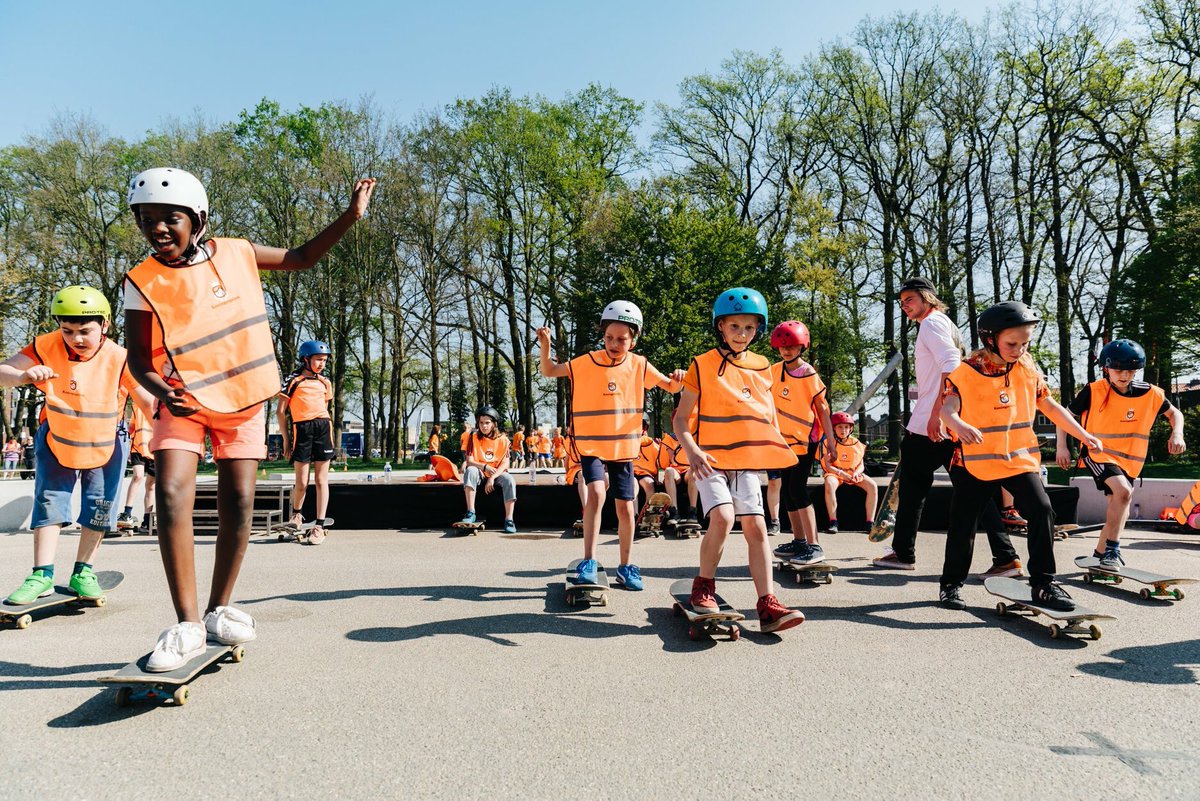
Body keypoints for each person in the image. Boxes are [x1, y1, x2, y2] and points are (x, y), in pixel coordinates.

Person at [123, 166, 375, 671]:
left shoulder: (236, 252)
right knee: (172, 495)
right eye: (146, 220)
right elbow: (139, 361)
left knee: (238, 503)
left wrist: (350, 217)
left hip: (243, 400)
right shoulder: (141, 281)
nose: (158, 229)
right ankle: (187, 623)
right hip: (183, 401)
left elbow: (302, 258)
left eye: (170, 218)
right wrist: (162, 395)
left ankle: (219, 609)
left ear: (197, 219)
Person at [938, 301, 1103, 611]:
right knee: (964, 524)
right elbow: (947, 410)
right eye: (1012, 343)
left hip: (1016, 458)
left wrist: (1084, 435)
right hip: (974, 461)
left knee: (1042, 511)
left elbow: (1050, 407)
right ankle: (951, 585)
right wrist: (958, 424)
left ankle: (1043, 583)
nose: (1019, 349)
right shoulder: (966, 370)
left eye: (1025, 342)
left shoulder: (1026, 366)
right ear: (990, 339)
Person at [0, 286, 154, 604]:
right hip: (57, 439)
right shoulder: (45, 346)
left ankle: (83, 571)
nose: (76, 339)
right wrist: (22, 375)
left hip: (106, 445)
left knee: (98, 508)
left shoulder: (120, 358)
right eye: (67, 330)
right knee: (49, 504)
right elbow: (3, 371)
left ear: (105, 326)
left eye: (85, 331)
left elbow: (148, 401)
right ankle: (41, 575)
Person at [874, 277, 1022, 577]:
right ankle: (1005, 556)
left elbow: (951, 365)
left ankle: (904, 553)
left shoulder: (932, 324)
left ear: (927, 298)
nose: (905, 305)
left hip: (933, 425)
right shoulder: (946, 324)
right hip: (942, 421)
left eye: (910, 299)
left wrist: (937, 414)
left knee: (915, 489)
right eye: (901, 302)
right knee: (971, 489)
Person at [676, 288, 805, 632]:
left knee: (757, 527)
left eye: (749, 328)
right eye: (734, 326)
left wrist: (776, 449)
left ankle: (768, 603)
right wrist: (692, 451)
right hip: (710, 460)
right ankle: (703, 587)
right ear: (720, 326)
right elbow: (679, 419)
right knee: (722, 517)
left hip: (746, 460)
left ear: (758, 330)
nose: (742, 334)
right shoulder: (701, 364)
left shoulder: (763, 366)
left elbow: (767, 416)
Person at [538, 300, 684, 591]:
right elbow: (550, 371)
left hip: (623, 449)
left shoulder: (640, 365)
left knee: (627, 509)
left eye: (622, 339)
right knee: (594, 493)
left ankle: (626, 566)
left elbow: (671, 386)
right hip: (591, 445)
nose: (614, 344)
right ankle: (589, 560)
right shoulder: (586, 362)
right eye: (609, 337)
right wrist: (545, 344)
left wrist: (680, 377)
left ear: (634, 338)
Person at [1056, 338, 1186, 567]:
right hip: (1099, 454)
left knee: (1120, 504)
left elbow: (1175, 414)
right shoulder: (1093, 390)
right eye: (1118, 370)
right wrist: (1062, 446)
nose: (1124, 375)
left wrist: (1177, 434)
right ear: (1106, 368)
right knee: (1124, 493)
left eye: (1130, 370)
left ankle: (1099, 554)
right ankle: (1112, 552)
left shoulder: (1152, 393)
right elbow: (1063, 417)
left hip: (1130, 461)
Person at [767, 320, 837, 567]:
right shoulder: (774, 371)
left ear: (802, 347)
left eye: (792, 347)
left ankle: (814, 545)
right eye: (783, 347)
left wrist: (831, 442)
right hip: (782, 443)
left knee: (797, 489)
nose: (787, 351)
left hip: (805, 441)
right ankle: (798, 542)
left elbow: (823, 410)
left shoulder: (809, 374)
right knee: (787, 491)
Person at [278, 340, 336, 545]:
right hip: (301, 429)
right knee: (302, 482)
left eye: (325, 360)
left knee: (321, 480)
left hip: (322, 427)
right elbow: (280, 412)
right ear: (305, 359)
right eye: (318, 360)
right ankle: (296, 515)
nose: (322, 364)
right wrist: (286, 439)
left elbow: (324, 407)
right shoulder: (293, 380)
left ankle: (319, 525)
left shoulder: (325, 382)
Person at [459, 405, 517, 533]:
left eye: (487, 423)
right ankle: (470, 512)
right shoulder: (473, 437)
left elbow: (506, 463)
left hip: (496, 473)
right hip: (479, 471)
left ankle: (509, 519)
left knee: (510, 480)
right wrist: (484, 466)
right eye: (481, 423)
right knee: (470, 471)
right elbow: (469, 461)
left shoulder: (503, 439)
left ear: (494, 424)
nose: (484, 426)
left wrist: (492, 477)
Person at [820, 411, 877, 533]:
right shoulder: (828, 443)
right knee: (829, 483)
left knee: (873, 486)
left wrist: (856, 472)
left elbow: (861, 464)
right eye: (840, 427)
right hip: (836, 473)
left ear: (851, 429)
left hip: (852, 473)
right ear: (834, 428)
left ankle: (870, 523)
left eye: (846, 427)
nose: (843, 430)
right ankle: (833, 521)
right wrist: (842, 474)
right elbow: (828, 466)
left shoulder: (857, 443)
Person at [115, 402, 156, 533]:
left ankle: (147, 519)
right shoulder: (137, 404)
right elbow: (131, 426)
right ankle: (127, 512)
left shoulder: (159, 404)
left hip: (153, 447)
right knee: (137, 476)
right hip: (138, 446)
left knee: (151, 486)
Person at [659, 407, 699, 524]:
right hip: (676, 470)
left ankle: (693, 512)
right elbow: (669, 462)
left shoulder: (695, 437)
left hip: (688, 469)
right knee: (669, 471)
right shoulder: (669, 438)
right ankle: (673, 511)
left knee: (693, 472)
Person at [633, 418, 661, 513]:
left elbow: (656, 460)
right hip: (631, 472)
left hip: (645, 473)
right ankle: (634, 514)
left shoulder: (651, 443)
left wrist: (656, 477)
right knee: (633, 485)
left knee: (649, 484)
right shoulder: (626, 443)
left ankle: (648, 512)